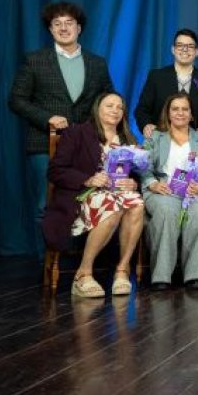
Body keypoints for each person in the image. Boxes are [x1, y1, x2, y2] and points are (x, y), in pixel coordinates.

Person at [9, 1, 115, 260]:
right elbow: (16, 100)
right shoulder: (35, 60)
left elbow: (108, 98)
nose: (63, 28)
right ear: (50, 29)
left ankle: (82, 262)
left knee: (86, 199)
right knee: (45, 204)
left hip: (85, 147)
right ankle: (46, 264)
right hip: (44, 144)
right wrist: (47, 118)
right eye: (57, 24)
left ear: (79, 28)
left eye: (69, 23)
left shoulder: (97, 63)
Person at [42, 92, 144, 298]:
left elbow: (135, 175)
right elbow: (55, 171)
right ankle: (83, 274)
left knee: (137, 204)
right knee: (114, 205)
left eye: (120, 107)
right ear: (97, 108)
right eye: (109, 105)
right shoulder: (77, 133)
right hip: (80, 196)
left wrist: (133, 183)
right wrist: (88, 179)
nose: (115, 110)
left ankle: (122, 271)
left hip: (116, 195)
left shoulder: (128, 139)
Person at [141, 93, 198, 290]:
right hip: (163, 188)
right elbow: (143, 166)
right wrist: (152, 183)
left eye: (185, 109)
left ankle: (195, 275)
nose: (180, 113)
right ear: (168, 113)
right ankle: (161, 276)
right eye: (175, 109)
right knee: (167, 210)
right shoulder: (155, 137)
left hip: (195, 190)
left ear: (191, 114)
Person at [134, 28, 198, 141]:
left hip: (195, 144)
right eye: (180, 45)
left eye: (190, 46)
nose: (185, 49)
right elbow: (142, 110)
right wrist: (146, 125)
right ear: (173, 49)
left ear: (197, 52)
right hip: (160, 142)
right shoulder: (156, 77)